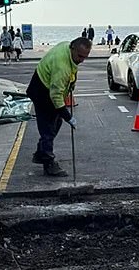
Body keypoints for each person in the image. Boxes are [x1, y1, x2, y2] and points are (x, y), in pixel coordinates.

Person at [26, 37, 92, 177]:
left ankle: (40, 153)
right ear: (72, 48)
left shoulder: (68, 48)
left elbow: (73, 69)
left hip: (47, 85)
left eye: (85, 57)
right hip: (42, 91)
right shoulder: (62, 67)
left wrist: (72, 83)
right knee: (48, 127)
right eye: (80, 56)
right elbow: (55, 95)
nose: (82, 60)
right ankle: (48, 163)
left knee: (56, 123)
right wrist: (68, 116)